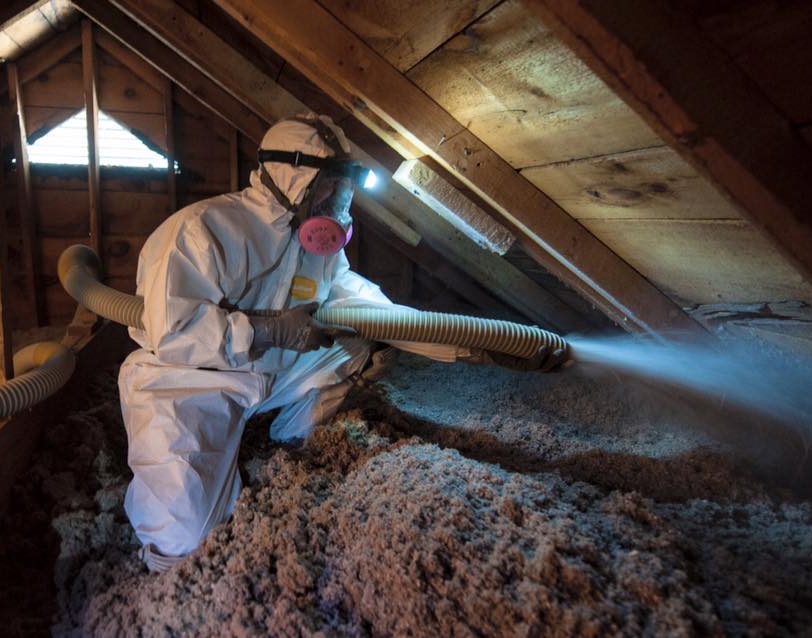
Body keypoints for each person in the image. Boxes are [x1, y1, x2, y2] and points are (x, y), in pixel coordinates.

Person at [118, 114, 566, 572]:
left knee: (353, 347)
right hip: (189, 383)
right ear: (294, 179)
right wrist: (267, 330)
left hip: (269, 372)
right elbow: (173, 333)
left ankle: (291, 441)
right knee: (183, 534)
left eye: (343, 191)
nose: (337, 204)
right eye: (330, 188)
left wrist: (473, 347)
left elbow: (371, 309)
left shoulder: (315, 250)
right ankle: (174, 547)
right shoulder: (202, 230)